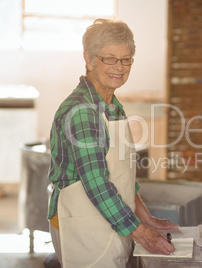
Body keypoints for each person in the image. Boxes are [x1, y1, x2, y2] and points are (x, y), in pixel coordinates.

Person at [47, 18, 178, 267]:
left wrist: (146, 218)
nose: (119, 67)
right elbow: (97, 184)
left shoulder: (111, 105)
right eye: (109, 58)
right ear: (89, 59)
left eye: (126, 59)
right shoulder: (83, 111)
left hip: (110, 219)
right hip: (81, 223)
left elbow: (121, 174)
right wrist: (142, 233)